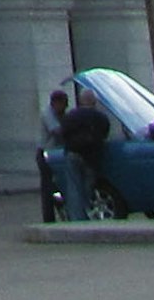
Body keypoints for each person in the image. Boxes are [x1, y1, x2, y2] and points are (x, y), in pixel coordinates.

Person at [55, 79, 116, 219]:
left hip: (73, 154)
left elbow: (63, 133)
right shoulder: (101, 117)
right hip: (92, 157)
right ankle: (87, 211)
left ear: (81, 101)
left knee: (74, 187)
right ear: (94, 102)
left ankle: (77, 217)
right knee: (88, 187)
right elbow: (105, 134)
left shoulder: (71, 116)